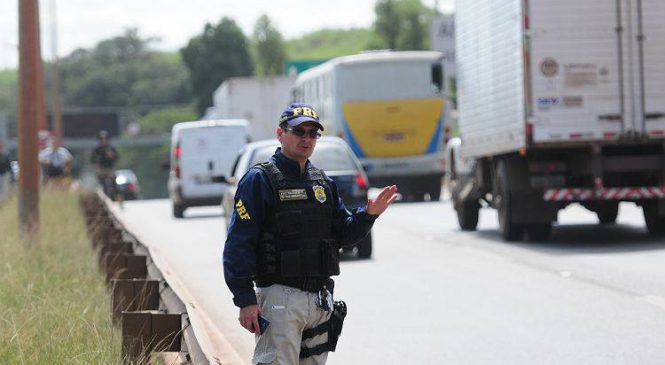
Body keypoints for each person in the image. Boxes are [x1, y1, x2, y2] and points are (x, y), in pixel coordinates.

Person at [223, 102, 398, 365]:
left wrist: (368, 215)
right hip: (280, 298)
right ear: (280, 134)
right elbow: (239, 244)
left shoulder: (323, 183)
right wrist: (245, 299)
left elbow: (344, 235)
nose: (306, 139)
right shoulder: (259, 180)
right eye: (299, 131)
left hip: (319, 302)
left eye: (312, 133)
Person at [90, 130, 119, 197]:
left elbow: (117, 157)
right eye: (102, 139)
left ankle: (118, 198)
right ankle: (104, 197)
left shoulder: (111, 148)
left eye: (105, 139)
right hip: (101, 168)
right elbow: (92, 159)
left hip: (110, 167)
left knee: (114, 183)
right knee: (101, 182)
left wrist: (111, 156)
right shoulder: (97, 149)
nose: (104, 140)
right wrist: (96, 165)